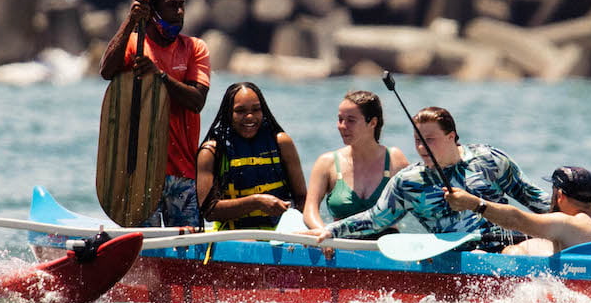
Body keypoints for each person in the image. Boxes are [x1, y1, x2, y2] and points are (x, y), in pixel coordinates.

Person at [318, 106, 549, 252]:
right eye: (417, 140)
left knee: (541, 247)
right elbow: (376, 218)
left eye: (429, 139)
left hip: (509, 242)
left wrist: (580, 215)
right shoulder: (408, 182)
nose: (421, 147)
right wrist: (330, 231)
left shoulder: (488, 159)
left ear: (451, 137)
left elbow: (535, 199)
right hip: (459, 255)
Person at [98, 0, 211, 228]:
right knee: (145, 248)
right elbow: (106, 71)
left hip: (183, 173)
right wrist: (131, 21)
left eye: (182, 5)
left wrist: (158, 76)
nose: (180, 12)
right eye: (172, 5)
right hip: (142, 172)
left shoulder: (195, 48)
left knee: (186, 252)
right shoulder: (136, 46)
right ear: (154, 11)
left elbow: (196, 101)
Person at [446, 164, 591, 256]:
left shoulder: (563, 223)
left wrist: (474, 203)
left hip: (581, 289)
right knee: (528, 246)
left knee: (512, 251)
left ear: (560, 195)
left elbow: (516, 219)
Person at [196, 82, 306, 230]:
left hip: (280, 237)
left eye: (256, 109)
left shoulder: (282, 143)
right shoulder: (211, 152)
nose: (250, 117)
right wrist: (256, 202)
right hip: (233, 236)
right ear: (228, 113)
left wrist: (293, 226)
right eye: (240, 111)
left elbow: (302, 198)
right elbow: (209, 210)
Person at [302, 89, 410, 230]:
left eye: (351, 121)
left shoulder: (395, 159)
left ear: (372, 123)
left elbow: (421, 204)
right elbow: (309, 212)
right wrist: (323, 233)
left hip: (382, 246)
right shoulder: (327, 163)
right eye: (340, 119)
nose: (342, 126)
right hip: (342, 244)